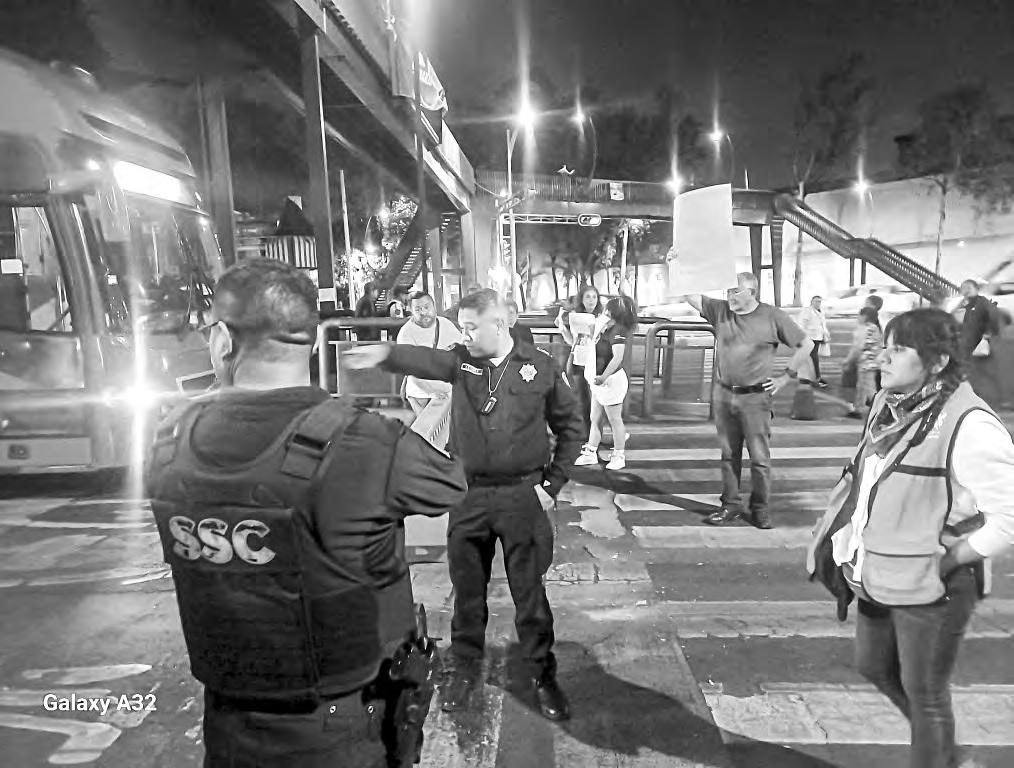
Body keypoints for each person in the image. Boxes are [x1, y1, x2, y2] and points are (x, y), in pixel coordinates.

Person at [145, 259, 467, 768]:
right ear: (315, 341)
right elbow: (450, 483)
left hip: (228, 724)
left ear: (222, 341)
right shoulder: (364, 441)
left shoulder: (170, 440)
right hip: (342, 728)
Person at [344, 289, 584, 722]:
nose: (465, 335)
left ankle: (541, 674)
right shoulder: (461, 361)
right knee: (467, 591)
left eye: (473, 327)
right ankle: (465, 666)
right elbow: (425, 360)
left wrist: (552, 485)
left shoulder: (540, 366)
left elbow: (572, 427)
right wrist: (386, 354)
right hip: (469, 496)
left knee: (529, 593)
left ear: (500, 324)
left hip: (522, 496)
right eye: (463, 327)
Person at [808, 308, 1014, 768]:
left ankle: (938, 754)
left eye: (898, 350)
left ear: (937, 362)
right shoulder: (890, 407)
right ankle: (945, 751)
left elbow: (1009, 519)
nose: (882, 358)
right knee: (873, 664)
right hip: (882, 569)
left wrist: (949, 560)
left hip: (935, 581)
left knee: (925, 693)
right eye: (885, 347)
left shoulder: (971, 426)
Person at [677, 272, 813, 529]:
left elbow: (806, 345)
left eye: (736, 291)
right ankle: (730, 505)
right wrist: (676, 265)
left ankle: (760, 509)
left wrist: (786, 377)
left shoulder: (772, 316)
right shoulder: (720, 311)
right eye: (728, 291)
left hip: (755, 398)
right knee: (729, 454)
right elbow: (690, 295)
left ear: (752, 292)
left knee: (759, 458)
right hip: (724, 394)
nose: (730, 296)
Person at [574, 295, 637, 470]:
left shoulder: (618, 330)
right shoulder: (604, 327)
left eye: (607, 309)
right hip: (598, 381)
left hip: (611, 381)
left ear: (613, 312)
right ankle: (591, 452)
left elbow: (617, 357)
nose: (604, 311)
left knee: (614, 419)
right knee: (595, 418)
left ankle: (619, 455)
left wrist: (604, 377)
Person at [396, 291, 462, 416]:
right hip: (420, 394)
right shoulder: (406, 334)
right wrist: (432, 392)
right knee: (426, 426)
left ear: (434, 306)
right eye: (418, 309)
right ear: (411, 311)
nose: (423, 312)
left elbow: (462, 350)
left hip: (447, 390)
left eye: (427, 307)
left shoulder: (445, 324)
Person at [555, 284, 603, 435]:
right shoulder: (576, 317)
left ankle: (595, 436)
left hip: (596, 362)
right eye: (587, 297)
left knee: (597, 401)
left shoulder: (602, 318)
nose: (591, 300)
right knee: (581, 400)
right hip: (577, 360)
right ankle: (585, 435)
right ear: (581, 299)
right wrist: (562, 327)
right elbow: (572, 341)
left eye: (594, 297)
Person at [844, 306, 883, 420]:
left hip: (866, 363)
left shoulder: (863, 329)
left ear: (864, 316)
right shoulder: (875, 328)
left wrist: (848, 361)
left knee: (869, 388)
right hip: (873, 362)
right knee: (862, 387)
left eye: (859, 316)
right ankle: (858, 409)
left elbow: (857, 348)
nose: (857, 318)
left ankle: (881, 411)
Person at [955, 279, 998, 360]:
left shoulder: (982, 302)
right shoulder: (960, 304)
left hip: (977, 341)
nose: (966, 290)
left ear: (976, 289)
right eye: (963, 288)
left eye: (969, 288)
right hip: (962, 340)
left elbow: (993, 316)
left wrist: (988, 332)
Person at [797, 295, 830, 388]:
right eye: (816, 301)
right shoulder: (808, 311)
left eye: (819, 301)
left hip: (817, 338)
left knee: (809, 358)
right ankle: (816, 378)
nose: (818, 303)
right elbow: (801, 324)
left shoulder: (820, 312)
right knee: (813, 358)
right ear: (811, 302)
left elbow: (822, 326)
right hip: (809, 338)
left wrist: (825, 336)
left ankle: (806, 378)